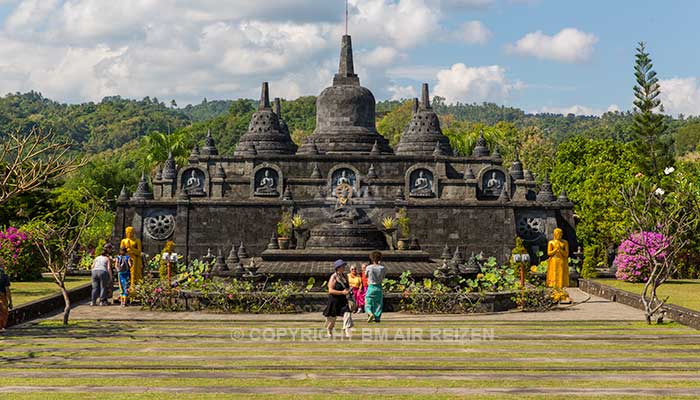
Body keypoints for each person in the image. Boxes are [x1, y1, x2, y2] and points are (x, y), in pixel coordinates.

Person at [322, 259, 354, 338]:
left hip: (343, 300)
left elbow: (347, 287)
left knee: (347, 313)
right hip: (334, 300)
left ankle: (347, 330)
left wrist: (349, 290)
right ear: (338, 267)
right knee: (332, 320)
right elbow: (330, 290)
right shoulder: (333, 277)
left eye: (344, 266)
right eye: (342, 266)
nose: (344, 267)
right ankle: (329, 330)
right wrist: (342, 292)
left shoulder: (345, 276)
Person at [120, 226, 143, 295]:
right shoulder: (124, 241)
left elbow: (139, 252)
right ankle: (124, 288)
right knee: (124, 273)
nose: (129, 233)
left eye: (130, 232)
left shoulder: (137, 241)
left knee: (133, 273)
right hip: (125, 258)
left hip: (134, 258)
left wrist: (131, 248)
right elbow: (121, 251)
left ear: (133, 233)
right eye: (127, 232)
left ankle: (133, 286)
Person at [365, 251, 386, 323]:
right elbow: (383, 277)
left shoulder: (369, 267)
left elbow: (366, 276)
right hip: (379, 287)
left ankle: (370, 313)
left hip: (371, 286)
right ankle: (377, 318)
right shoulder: (382, 268)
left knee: (368, 302)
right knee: (378, 303)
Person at [0, 264, 12, 331]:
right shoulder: (4, 276)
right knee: (4, 313)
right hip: (2, 296)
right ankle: (1, 327)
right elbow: (7, 290)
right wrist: (10, 302)